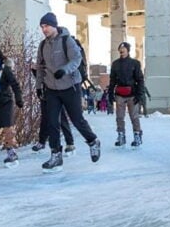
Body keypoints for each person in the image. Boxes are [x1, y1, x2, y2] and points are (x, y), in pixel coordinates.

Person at [35, 12, 101, 173]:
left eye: (47, 26)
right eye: (42, 27)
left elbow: (76, 59)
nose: (44, 29)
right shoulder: (43, 45)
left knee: (77, 119)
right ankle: (56, 155)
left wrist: (64, 70)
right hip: (51, 89)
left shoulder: (67, 40)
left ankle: (93, 141)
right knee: (51, 121)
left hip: (70, 86)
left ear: (54, 25)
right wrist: (38, 86)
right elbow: (40, 68)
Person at [30, 64, 76, 156]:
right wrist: (35, 70)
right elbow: (39, 78)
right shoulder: (43, 58)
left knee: (61, 118)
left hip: (57, 93)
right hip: (45, 93)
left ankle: (70, 143)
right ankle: (42, 142)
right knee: (45, 118)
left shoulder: (57, 61)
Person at [107, 42, 146, 148]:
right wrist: (110, 93)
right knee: (119, 117)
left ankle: (137, 136)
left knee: (134, 116)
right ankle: (121, 136)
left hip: (132, 93)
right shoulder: (115, 64)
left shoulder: (135, 63)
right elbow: (112, 80)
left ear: (128, 50)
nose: (121, 51)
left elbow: (140, 79)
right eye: (120, 49)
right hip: (119, 93)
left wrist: (139, 94)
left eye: (123, 49)